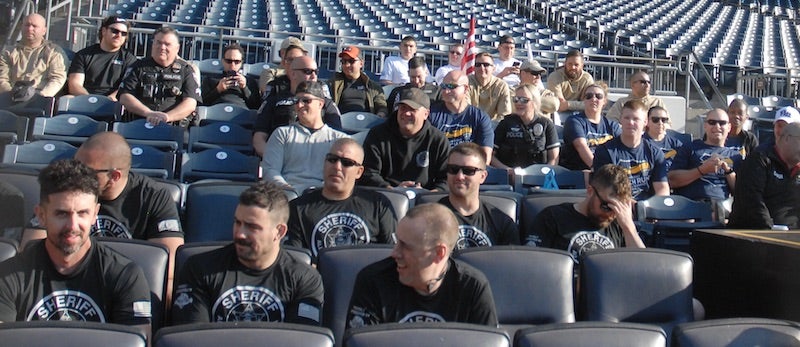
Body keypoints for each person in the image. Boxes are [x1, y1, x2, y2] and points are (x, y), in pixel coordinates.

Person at [0, 160, 151, 331]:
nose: (72, 225)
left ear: (95, 214)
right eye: (62, 214)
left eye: (82, 213)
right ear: (41, 216)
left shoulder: (125, 275)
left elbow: (138, 340)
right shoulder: (7, 275)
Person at [172, 181, 324, 324]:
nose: (240, 234)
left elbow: (302, 339)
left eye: (252, 227)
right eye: (237, 223)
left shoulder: (304, 279)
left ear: (279, 232)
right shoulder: (200, 269)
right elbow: (192, 338)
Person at [346, 203, 498, 327]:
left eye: (405, 246)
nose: (395, 253)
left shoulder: (472, 287)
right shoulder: (373, 281)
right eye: (397, 242)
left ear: (439, 253)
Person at [286, 138, 397, 257]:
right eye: (332, 160)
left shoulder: (379, 204)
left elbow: (391, 253)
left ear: (359, 172)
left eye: (347, 163)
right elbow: (296, 260)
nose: (337, 167)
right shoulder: (298, 208)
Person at [524, 163, 645, 261]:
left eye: (618, 209)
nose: (611, 215)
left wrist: (629, 228)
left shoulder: (621, 223)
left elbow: (642, 267)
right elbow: (532, 264)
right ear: (590, 191)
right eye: (606, 206)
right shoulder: (552, 217)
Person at [263, 81, 349, 196]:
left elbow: (345, 176)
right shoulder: (282, 133)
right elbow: (270, 170)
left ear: (320, 104)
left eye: (306, 101)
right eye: (296, 101)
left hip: (324, 196)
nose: (299, 105)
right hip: (287, 194)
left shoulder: (339, 140)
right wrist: (287, 189)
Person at [360, 88, 450, 191]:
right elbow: (369, 173)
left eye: (412, 109)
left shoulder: (438, 140)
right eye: (403, 108)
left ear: (426, 114)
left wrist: (429, 195)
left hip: (425, 199)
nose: (406, 113)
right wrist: (393, 191)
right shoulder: (377, 135)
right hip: (385, 196)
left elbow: (446, 178)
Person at [253, 55, 341, 157]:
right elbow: (259, 138)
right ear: (293, 74)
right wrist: (274, 158)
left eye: (316, 72)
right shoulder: (274, 100)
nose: (313, 76)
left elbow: (336, 139)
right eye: (308, 71)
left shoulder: (326, 103)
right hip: (280, 156)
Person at [439, 143, 518, 248]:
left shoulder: (502, 222)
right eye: (453, 169)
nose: (460, 176)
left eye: (469, 171)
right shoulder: (428, 219)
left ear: (483, 176)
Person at [118, 26, 201, 126]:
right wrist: (149, 114)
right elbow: (125, 96)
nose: (162, 47)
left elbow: (190, 103)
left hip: (173, 127)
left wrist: (167, 117)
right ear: (153, 44)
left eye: (167, 44)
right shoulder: (138, 67)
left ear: (177, 48)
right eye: (159, 42)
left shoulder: (186, 70)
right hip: (138, 123)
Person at [728, 122, 800, 229]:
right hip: (754, 234)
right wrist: (770, 229)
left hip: (792, 236)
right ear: (787, 138)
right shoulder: (759, 161)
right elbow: (752, 201)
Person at [593, 100, 670, 200]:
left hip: (648, 208)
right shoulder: (605, 151)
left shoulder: (655, 153)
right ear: (620, 119)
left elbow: (662, 189)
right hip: (616, 206)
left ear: (645, 122)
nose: (630, 122)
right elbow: (605, 191)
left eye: (636, 119)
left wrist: (650, 208)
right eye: (627, 118)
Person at [668, 108, 741, 202]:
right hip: (692, 205)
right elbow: (672, 180)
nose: (717, 126)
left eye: (722, 123)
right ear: (705, 126)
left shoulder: (736, 156)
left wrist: (728, 172)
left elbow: (742, 192)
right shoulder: (690, 148)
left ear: (729, 127)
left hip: (723, 206)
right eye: (712, 122)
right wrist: (702, 170)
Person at [429, 70, 494, 162]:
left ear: (466, 88)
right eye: (443, 86)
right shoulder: (431, 114)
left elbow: (485, 157)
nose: (446, 91)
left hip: (469, 169)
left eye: (452, 86)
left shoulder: (480, 117)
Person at [67, 16, 137, 100]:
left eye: (123, 33)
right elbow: (75, 84)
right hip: (84, 97)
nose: (119, 35)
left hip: (112, 101)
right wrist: (90, 100)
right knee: (65, 100)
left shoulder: (129, 59)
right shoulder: (84, 55)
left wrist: (108, 100)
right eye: (115, 31)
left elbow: (126, 88)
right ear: (104, 31)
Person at [492, 83, 560, 169]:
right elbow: (490, 155)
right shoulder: (506, 123)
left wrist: (544, 176)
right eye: (516, 99)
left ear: (534, 102)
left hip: (538, 177)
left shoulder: (546, 124)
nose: (519, 103)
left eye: (524, 100)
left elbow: (554, 159)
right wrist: (507, 170)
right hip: (509, 177)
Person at [0, 13, 66, 98]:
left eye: (34, 26)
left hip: (40, 99)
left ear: (44, 31)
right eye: (27, 25)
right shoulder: (7, 52)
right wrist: (10, 95)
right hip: (11, 98)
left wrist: (41, 97)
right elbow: (2, 78)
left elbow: (57, 78)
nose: (30, 29)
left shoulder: (53, 52)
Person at [559, 83, 621, 170]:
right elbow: (581, 146)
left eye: (598, 96)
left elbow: (622, 149)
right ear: (584, 100)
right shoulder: (574, 121)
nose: (593, 99)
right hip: (580, 172)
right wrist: (598, 171)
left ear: (604, 101)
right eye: (589, 96)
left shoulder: (612, 126)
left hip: (606, 174)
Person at [328, 45, 387, 117]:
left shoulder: (372, 87)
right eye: (344, 61)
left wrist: (380, 114)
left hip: (366, 123)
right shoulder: (332, 84)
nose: (347, 65)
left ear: (361, 63)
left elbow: (381, 105)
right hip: (341, 122)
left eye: (351, 61)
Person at [201, 43, 259, 108]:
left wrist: (244, 88)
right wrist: (218, 90)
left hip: (241, 113)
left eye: (236, 62)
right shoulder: (210, 79)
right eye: (229, 61)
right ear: (223, 61)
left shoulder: (249, 81)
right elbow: (202, 103)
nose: (232, 65)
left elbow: (256, 106)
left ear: (241, 63)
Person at [467, 52, 513, 120]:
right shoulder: (466, 82)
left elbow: (504, 115)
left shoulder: (501, 85)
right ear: (474, 68)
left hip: (493, 126)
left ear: (493, 68)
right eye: (478, 65)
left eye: (486, 65)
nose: (481, 68)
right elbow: (464, 110)